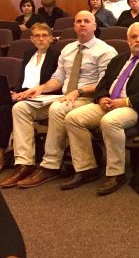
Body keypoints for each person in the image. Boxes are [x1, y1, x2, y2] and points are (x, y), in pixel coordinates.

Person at [0, 11, 117, 189]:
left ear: (95, 26)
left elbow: (105, 83)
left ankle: (50, 164)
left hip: (88, 99)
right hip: (63, 97)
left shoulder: (106, 51)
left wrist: (79, 91)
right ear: (74, 26)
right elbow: (58, 78)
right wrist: (40, 88)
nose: (82, 24)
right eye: (79, 21)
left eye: (87, 21)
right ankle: (25, 163)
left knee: (57, 108)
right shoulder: (68, 49)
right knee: (21, 108)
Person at [62, 23, 139, 195]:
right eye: (134, 37)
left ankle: (116, 173)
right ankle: (86, 168)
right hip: (108, 104)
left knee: (109, 121)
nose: (138, 40)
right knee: (73, 118)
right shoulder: (118, 60)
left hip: (136, 108)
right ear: (127, 40)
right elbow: (103, 84)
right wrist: (101, 98)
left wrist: (127, 101)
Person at [0, 23, 58, 171]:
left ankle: (1, 152)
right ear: (31, 39)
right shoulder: (28, 54)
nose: (41, 39)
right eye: (37, 36)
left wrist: (29, 93)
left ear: (51, 38)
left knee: (5, 110)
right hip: (24, 94)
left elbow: (55, 82)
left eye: (45, 35)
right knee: (3, 103)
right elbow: (23, 79)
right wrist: (16, 92)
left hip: (43, 95)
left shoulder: (56, 55)